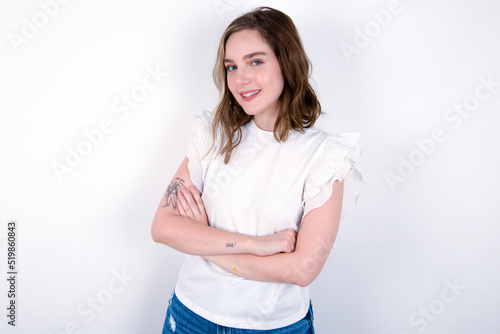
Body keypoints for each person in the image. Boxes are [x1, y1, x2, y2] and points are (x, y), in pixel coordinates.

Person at [151, 6, 363, 333]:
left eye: (256, 61)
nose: (240, 79)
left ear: (286, 63)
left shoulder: (325, 155)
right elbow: (164, 228)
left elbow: (302, 268)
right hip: (191, 317)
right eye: (231, 66)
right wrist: (258, 245)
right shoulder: (214, 136)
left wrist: (207, 242)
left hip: (278, 327)